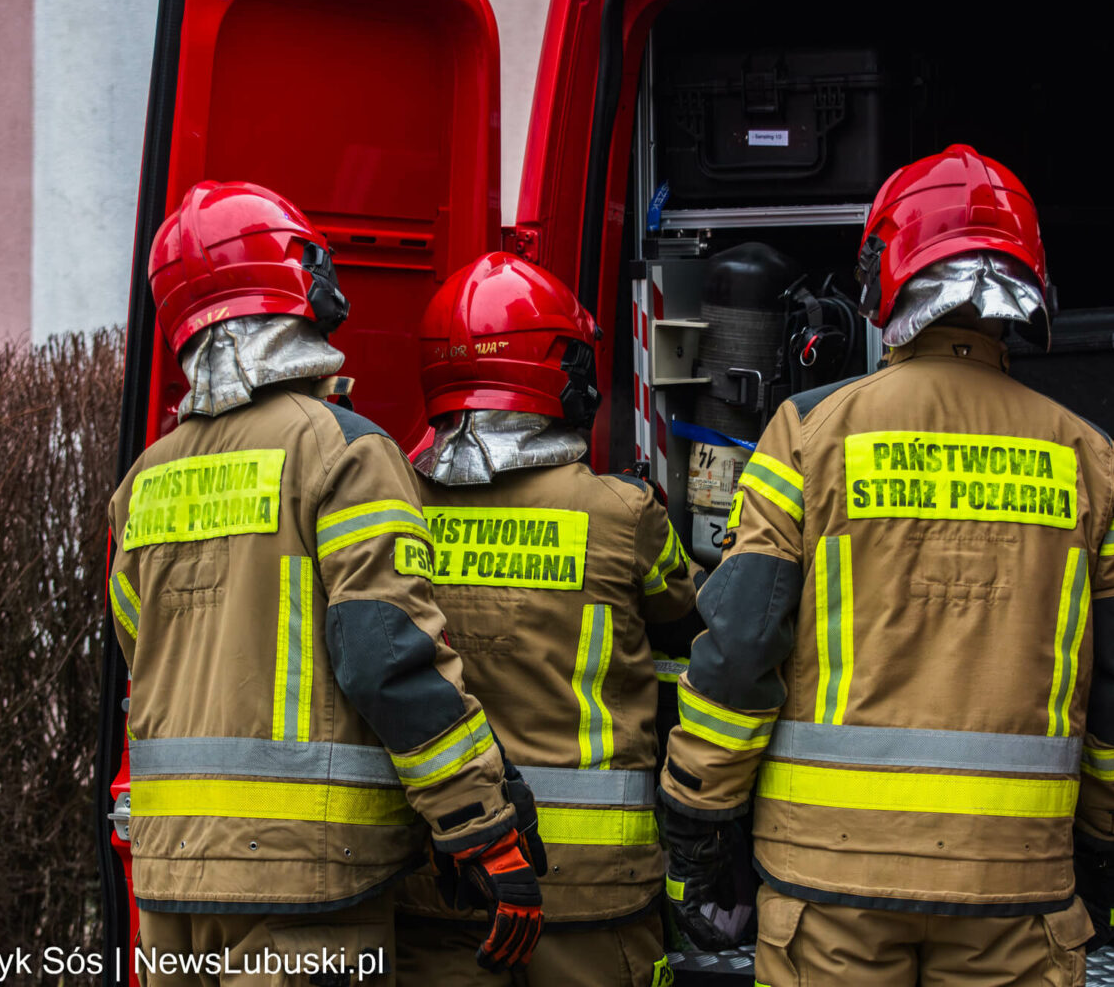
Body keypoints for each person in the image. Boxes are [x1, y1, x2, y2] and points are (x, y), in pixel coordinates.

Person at [656, 145, 1114, 986]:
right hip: (1017, 883)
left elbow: (743, 648)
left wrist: (697, 815)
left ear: (884, 275)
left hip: (830, 883)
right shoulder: (1090, 459)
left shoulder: (808, 433)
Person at [107, 181, 544, 986]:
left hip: (168, 878)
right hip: (305, 878)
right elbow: (387, 656)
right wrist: (480, 823)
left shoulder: (144, 480)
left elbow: (143, 645)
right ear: (292, 278)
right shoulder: (341, 450)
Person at [391, 253, 697, 987]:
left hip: (445, 877)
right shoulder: (622, 514)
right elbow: (684, 618)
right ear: (562, 372)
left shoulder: (391, 509)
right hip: (591, 892)